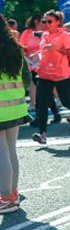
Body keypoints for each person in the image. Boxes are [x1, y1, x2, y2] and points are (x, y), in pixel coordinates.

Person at [28, 10, 70, 144]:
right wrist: (37, 55)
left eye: (50, 21)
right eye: (44, 21)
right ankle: (42, 134)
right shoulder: (45, 35)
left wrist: (57, 49)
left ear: (58, 22)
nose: (46, 24)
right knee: (42, 104)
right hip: (44, 73)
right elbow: (43, 50)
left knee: (65, 101)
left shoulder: (63, 35)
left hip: (60, 73)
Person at [0, 22, 28, 214]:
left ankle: (6, 198)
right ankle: (12, 194)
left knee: (2, 153)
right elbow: (26, 78)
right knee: (10, 151)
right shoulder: (16, 48)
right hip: (16, 106)